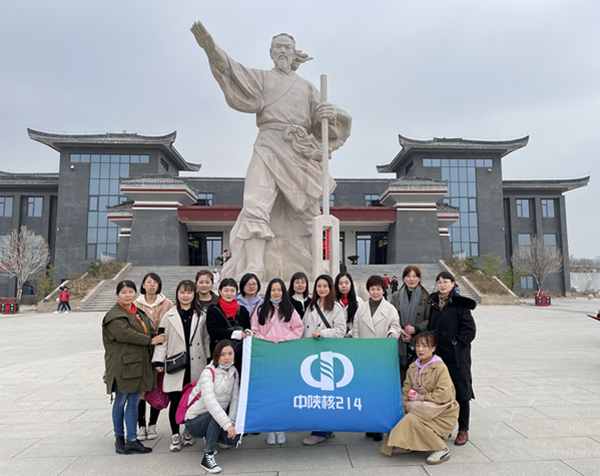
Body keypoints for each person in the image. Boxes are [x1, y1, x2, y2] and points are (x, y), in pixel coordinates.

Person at [191, 21, 352, 282]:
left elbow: (324, 126)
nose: (283, 51)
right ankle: (255, 265)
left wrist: (328, 113)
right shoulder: (262, 79)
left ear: (294, 52)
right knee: (255, 203)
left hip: (298, 151)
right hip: (267, 145)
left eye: (287, 47)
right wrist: (210, 47)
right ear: (270, 52)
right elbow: (232, 69)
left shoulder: (307, 87)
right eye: (278, 47)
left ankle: (319, 266)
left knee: (310, 213)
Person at [102, 280, 164, 455]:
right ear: (117, 295)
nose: (127, 295)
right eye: (124, 292)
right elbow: (126, 334)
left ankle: (132, 440)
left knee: (134, 402)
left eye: (131, 291)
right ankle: (119, 438)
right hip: (122, 366)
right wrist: (150, 340)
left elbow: (149, 330)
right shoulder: (114, 316)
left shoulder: (137, 313)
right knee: (120, 401)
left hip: (137, 365)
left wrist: (159, 337)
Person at [380, 331, 459, 465]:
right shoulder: (413, 368)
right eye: (417, 345)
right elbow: (406, 391)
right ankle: (409, 443)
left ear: (433, 348)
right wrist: (400, 409)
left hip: (441, 412)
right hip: (420, 409)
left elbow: (443, 395)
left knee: (412, 419)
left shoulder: (440, 367)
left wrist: (419, 397)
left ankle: (441, 449)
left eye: (425, 346)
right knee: (401, 414)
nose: (420, 349)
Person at [152, 280, 211, 452]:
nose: (185, 295)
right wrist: (158, 361)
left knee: (193, 401)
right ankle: (175, 434)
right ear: (177, 294)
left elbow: (206, 340)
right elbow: (162, 341)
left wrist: (209, 360)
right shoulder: (168, 316)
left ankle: (188, 430)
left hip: (197, 364)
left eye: (189, 292)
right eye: (182, 292)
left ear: (194, 294)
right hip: (176, 365)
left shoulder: (201, 316)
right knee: (176, 401)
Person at [251, 278, 304, 445]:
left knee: (282, 393)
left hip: (283, 355)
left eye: (279, 290)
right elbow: (254, 331)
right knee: (267, 393)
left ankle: (281, 428)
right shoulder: (261, 310)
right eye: (273, 290)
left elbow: (299, 329)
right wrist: (265, 341)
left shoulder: (290, 310)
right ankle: (269, 429)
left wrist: (284, 340)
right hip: (266, 356)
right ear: (269, 292)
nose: (276, 293)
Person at [349, 274, 401, 442]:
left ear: (384, 290)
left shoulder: (390, 309)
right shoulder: (361, 308)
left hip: (381, 357)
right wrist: (356, 348)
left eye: (378, 289)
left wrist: (392, 333)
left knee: (380, 393)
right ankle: (368, 424)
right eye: (372, 289)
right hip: (365, 356)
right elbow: (356, 329)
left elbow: (395, 326)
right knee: (366, 392)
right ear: (368, 290)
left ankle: (379, 426)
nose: (375, 292)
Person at [428, 271, 476, 446]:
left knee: (461, 392)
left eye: (445, 281)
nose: (442, 285)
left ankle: (463, 429)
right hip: (438, 355)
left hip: (457, 356)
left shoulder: (460, 304)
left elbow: (469, 330)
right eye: (439, 281)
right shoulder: (433, 303)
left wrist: (457, 344)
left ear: (453, 284)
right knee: (441, 391)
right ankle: (444, 427)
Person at [301, 274, 346, 445]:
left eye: (325, 286)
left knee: (323, 393)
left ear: (330, 288)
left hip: (327, 354)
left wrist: (322, 333)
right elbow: (304, 327)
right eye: (319, 286)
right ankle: (326, 429)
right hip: (311, 353)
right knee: (315, 392)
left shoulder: (336, 307)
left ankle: (320, 432)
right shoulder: (311, 305)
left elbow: (341, 330)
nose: (322, 289)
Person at [185, 340, 241, 474]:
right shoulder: (208, 372)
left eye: (230, 353)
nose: (227, 357)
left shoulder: (234, 372)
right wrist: (226, 424)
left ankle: (211, 436)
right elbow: (210, 402)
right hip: (195, 421)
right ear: (216, 356)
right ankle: (207, 456)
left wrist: (232, 422)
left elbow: (235, 398)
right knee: (214, 415)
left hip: (215, 417)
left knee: (234, 439)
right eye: (222, 354)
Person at [134, 272, 174, 441]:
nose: (152, 285)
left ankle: (152, 424)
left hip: (161, 350)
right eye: (148, 282)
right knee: (142, 389)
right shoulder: (135, 304)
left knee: (157, 387)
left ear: (159, 285)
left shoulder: (167, 304)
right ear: (143, 285)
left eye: (155, 282)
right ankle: (141, 425)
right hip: (141, 351)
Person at [390, 266, 431, 384]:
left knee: (418, 377)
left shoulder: (426, 297)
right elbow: (391, 318)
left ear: (419, 278)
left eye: (414, 276)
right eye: (408, 276)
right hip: (400, 340)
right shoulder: (396, 296)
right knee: (400, 376)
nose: (411, 279)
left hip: (419, 339)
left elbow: (429, 319)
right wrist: (400, 330)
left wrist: (416, 329)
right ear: (404, 278)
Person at [206, 278, 252, 373]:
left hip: (240, 355)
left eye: (232, 291)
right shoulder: (213, 311)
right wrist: (234, 334)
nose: (229, 294)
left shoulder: (243, 310)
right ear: (220, 291)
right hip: (221, 354)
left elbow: (248, 326)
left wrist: (248, 332)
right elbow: (213, 331)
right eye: (226, 290)